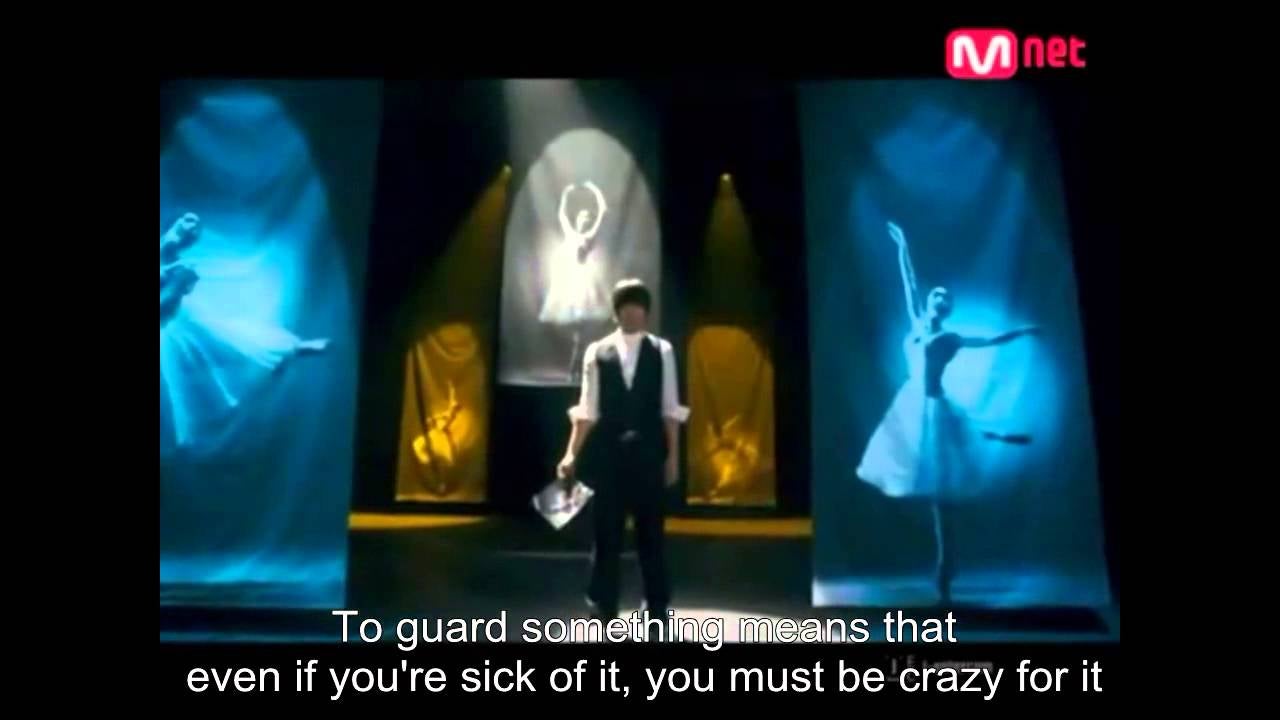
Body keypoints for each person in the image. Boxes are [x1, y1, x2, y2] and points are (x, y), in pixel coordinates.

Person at [856, 221, 1038, 605]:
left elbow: (988, 340)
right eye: (936, 294)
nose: (938, 298)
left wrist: (1021, 332)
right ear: (929, 302)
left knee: (941, 500)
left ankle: (945, 573)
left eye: (944, 298)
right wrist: (903, 245)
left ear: (947, 308)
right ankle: (997, 435)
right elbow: (908, 281)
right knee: (915, 481)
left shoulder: (951, 338)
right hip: (911, 406)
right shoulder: (916, 321)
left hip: (935, 406)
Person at [557, 278, 689, 628]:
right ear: (616, 312)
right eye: (626, 306)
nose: (632, 312)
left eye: (638, 306)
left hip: (648, 456)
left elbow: (669, 409)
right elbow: (588, 410)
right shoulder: (597, 351)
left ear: (646, 311)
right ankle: (603, 605)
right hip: (608, 457)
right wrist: (571, 454)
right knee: (606, 535)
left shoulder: (661, 350)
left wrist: (673, 459)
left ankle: (656, 606)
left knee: (651, 535)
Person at [159, 212, 330, 451]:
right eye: (186, 224)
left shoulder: (183, 269)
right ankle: (286, 350)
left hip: (179, 321)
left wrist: (177, 286)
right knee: (207, 352)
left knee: (230, 339)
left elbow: (168, 307)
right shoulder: (173, 259)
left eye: (192, 229)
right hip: (176, 323)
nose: (188, 229)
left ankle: (287, 349)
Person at [538, 181, 611, 382]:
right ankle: (576, 369)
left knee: (582, 335)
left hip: (585, 288)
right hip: (572, 287)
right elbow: (562, 215)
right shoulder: (571, 234)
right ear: (577, 221)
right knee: (578, 335)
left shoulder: (590, 236)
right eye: (582, 217)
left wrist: (594, 189)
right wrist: (566, 194)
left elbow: (603, 212)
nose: (585, 221)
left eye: (588, 218)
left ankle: (577, 369)